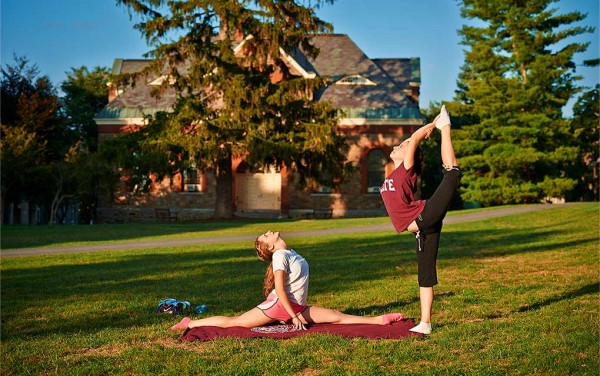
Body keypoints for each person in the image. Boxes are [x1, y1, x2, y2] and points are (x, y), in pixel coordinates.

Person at [171, 230, 405, 331]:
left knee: (335, 315)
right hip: (280, 306)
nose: (268, 232)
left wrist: (295, 312)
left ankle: (380, 320)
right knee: (235, 323)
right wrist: (292, 316)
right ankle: (190, 323)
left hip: (295, 306)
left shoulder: (289, 252)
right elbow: (280, 289)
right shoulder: (280, 255)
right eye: (265, 236)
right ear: (270, 247)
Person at [380, 105, 461, 335]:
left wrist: (434, 126)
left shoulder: (407, 169)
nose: (398, 145)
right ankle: (425, 323)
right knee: (425, 274)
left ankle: (446, 127)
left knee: (453, 174)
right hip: (421, 227)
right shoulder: (396, 173)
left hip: (424, 216)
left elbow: (415, 137)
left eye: (403, 145)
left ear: (410, 155)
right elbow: (412, 139)